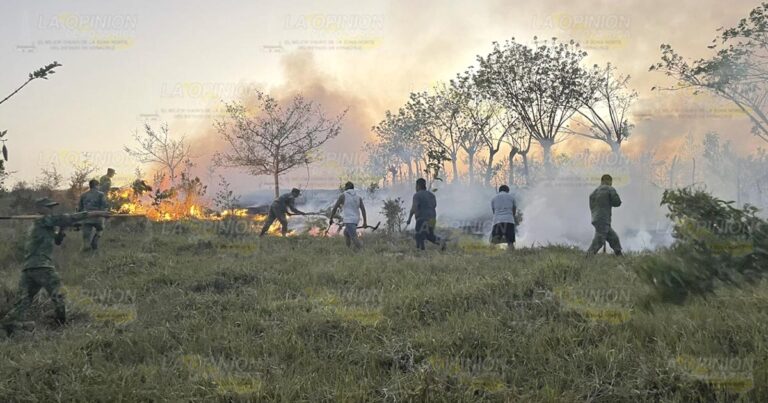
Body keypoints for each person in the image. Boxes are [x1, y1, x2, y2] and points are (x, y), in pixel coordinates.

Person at [1, 198, 110, 336]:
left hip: (29, 268)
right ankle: (61, 323)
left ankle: (8, 325)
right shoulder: (42, 220)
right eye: (49, 207)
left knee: (24, 300)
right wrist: (98, 213)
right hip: (42, 266)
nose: (51, 210)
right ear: (41, 208)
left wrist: (62, 229)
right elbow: (70, 218)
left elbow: (57, 241)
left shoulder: (43, 224)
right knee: (58, 295)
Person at [406, 178, 446, 251]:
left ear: (418, 186)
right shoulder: (431, 195)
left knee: (419, 235)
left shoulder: (417, 195)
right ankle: (441, 242)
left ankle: (420, 252)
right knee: (430, 236)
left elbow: (414, 207)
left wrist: (409, 219)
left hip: (422, 219)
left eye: (416, 186)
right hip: (432, 219)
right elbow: (434, 205)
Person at [587, 174, 623, 255]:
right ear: (609, 181)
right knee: (599, 240)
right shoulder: (610, 189)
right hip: (604, 219)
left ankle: (619, 255)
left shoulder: (593, 192)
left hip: (596, 218)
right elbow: (617, 202)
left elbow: (592, 207)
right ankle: (587, 258)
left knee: (613, 238)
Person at [329, 182, 368, 250]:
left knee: (354, 237)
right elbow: (363, 210)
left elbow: (335, 208)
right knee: (346, 233)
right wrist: (365, 222)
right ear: (353, 188)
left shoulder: (343, 195)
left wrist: (331, 218)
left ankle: (363, 250)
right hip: (356, 220)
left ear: (346, 187)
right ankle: (348, 249)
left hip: (349, 220)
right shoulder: (358, 197)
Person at [78, 179, 109, 251]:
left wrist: (79, 219)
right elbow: (104, 206)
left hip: (86, 218)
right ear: (96, 186)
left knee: (86, 237)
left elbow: (80, 208)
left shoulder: (83, 195)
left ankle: (86, 248)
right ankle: (96, 238)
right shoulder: (101, 194)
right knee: (100, 229)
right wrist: (105, 214)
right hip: (98, 218)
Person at [490, 185, 517, 250]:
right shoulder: (512, 198)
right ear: (507, 191)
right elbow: (514, 210)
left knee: (494, 241)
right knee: (510, 242)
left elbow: (494, 211)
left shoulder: (493, 198)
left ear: (499, 190)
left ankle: (491, 253)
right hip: (509, 220)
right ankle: (511, 254)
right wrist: (512, 216)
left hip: (497, 221)